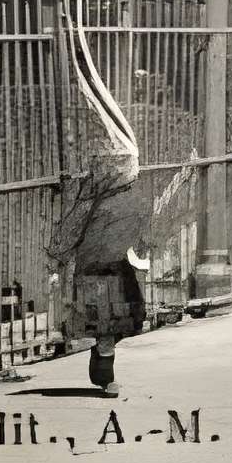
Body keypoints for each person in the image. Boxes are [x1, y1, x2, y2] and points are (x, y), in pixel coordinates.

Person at [46, 154, 152, 395]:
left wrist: (139, 253)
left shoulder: (130, 200)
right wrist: (57, 265)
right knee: (105, 326)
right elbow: (69, 233)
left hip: (118, 269)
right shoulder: (87, 200)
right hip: (93, 272)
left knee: (125, 324)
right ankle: (106, 377)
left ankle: (102, 355)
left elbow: (137, 232)